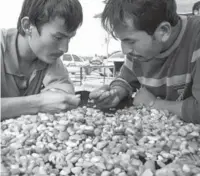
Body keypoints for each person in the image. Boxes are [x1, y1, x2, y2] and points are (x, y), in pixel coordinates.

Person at [90, 0, 200, 124]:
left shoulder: (196, 37)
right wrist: (116, 92)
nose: (125, 50)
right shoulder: (139, 52)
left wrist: (153, 104)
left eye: (130, 41)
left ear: (163, 31)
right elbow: (126, 80)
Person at [1, 0, 83, 120]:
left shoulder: (48, 57)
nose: (64, 49)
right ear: (27, 26)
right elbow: (43, 103)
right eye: (58, 37)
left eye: (69, 38)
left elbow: (63, 92)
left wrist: (57, 95)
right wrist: (38, 103)